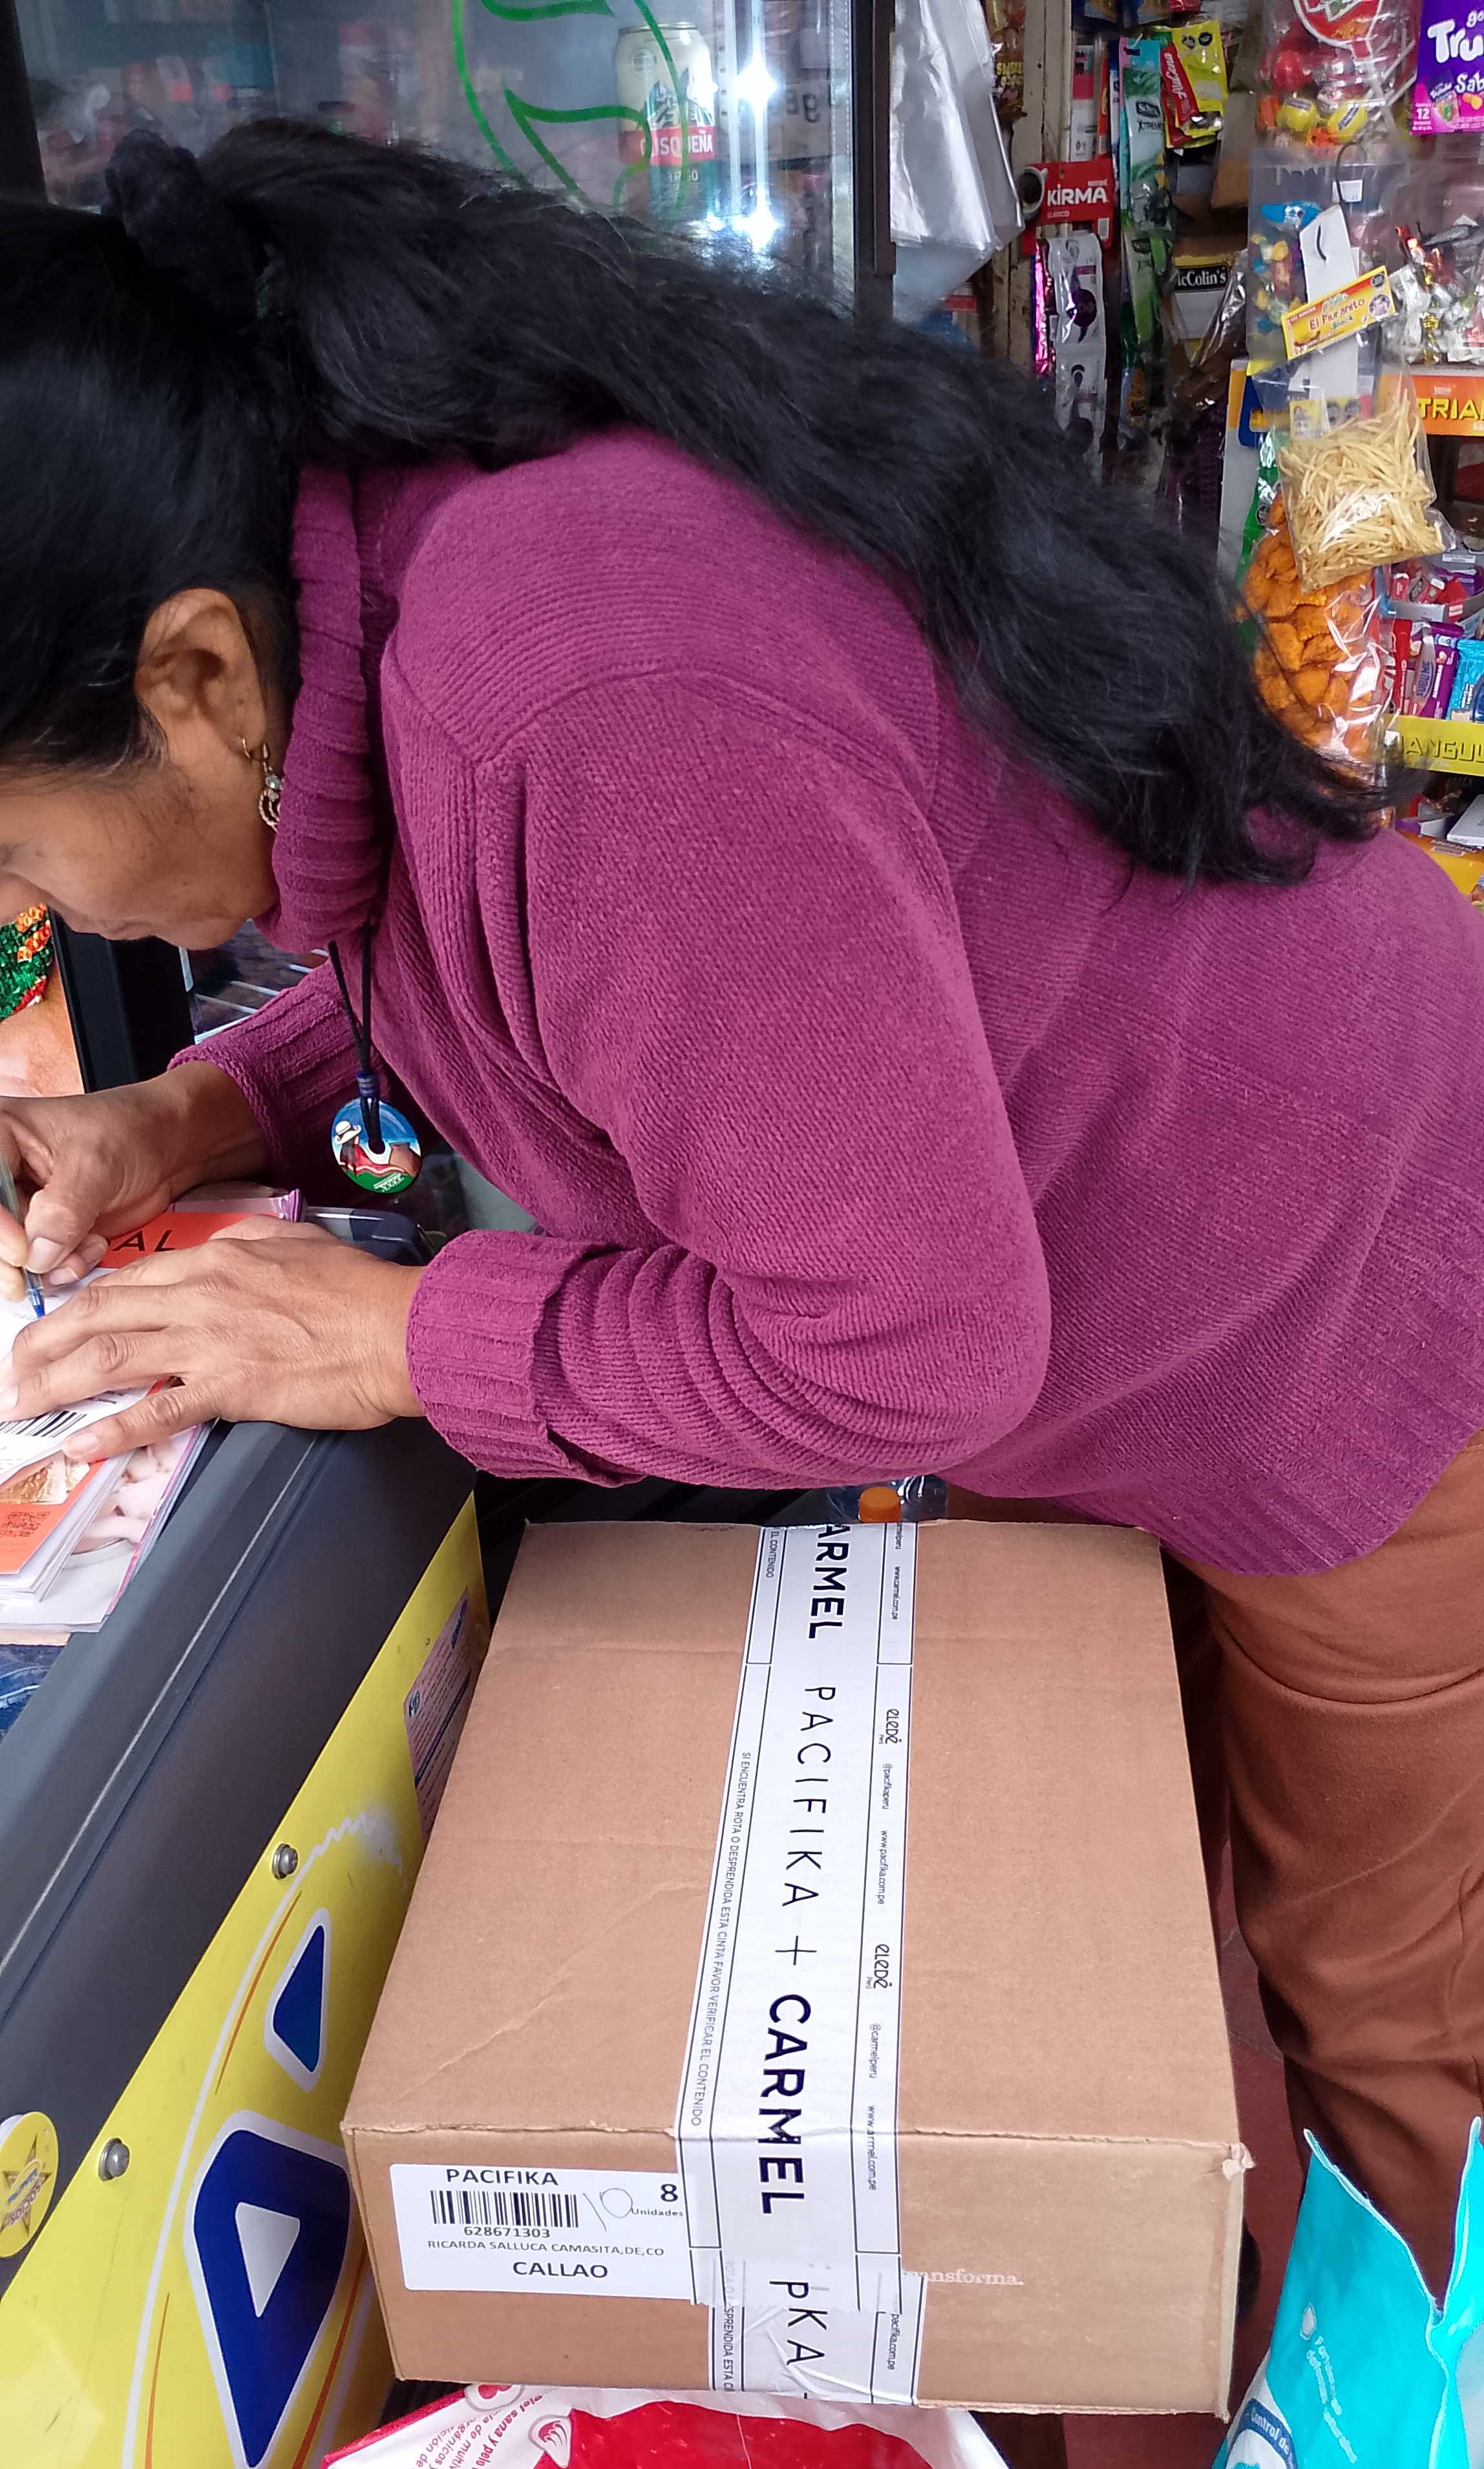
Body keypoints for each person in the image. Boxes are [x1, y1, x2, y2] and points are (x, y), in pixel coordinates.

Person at [0, 123, 1480, 2294]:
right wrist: (203, 1105)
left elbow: (904, 1339)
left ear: (197, 679)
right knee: (1112, 1945)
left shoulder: (577, 697)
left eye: (19, 853)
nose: (38, 906)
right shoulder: (402, 586)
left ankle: (1397, 2460)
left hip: (1334, 1275)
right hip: (1105, 1247)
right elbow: (518, 957)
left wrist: (400, 1336)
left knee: (1378, 2024)